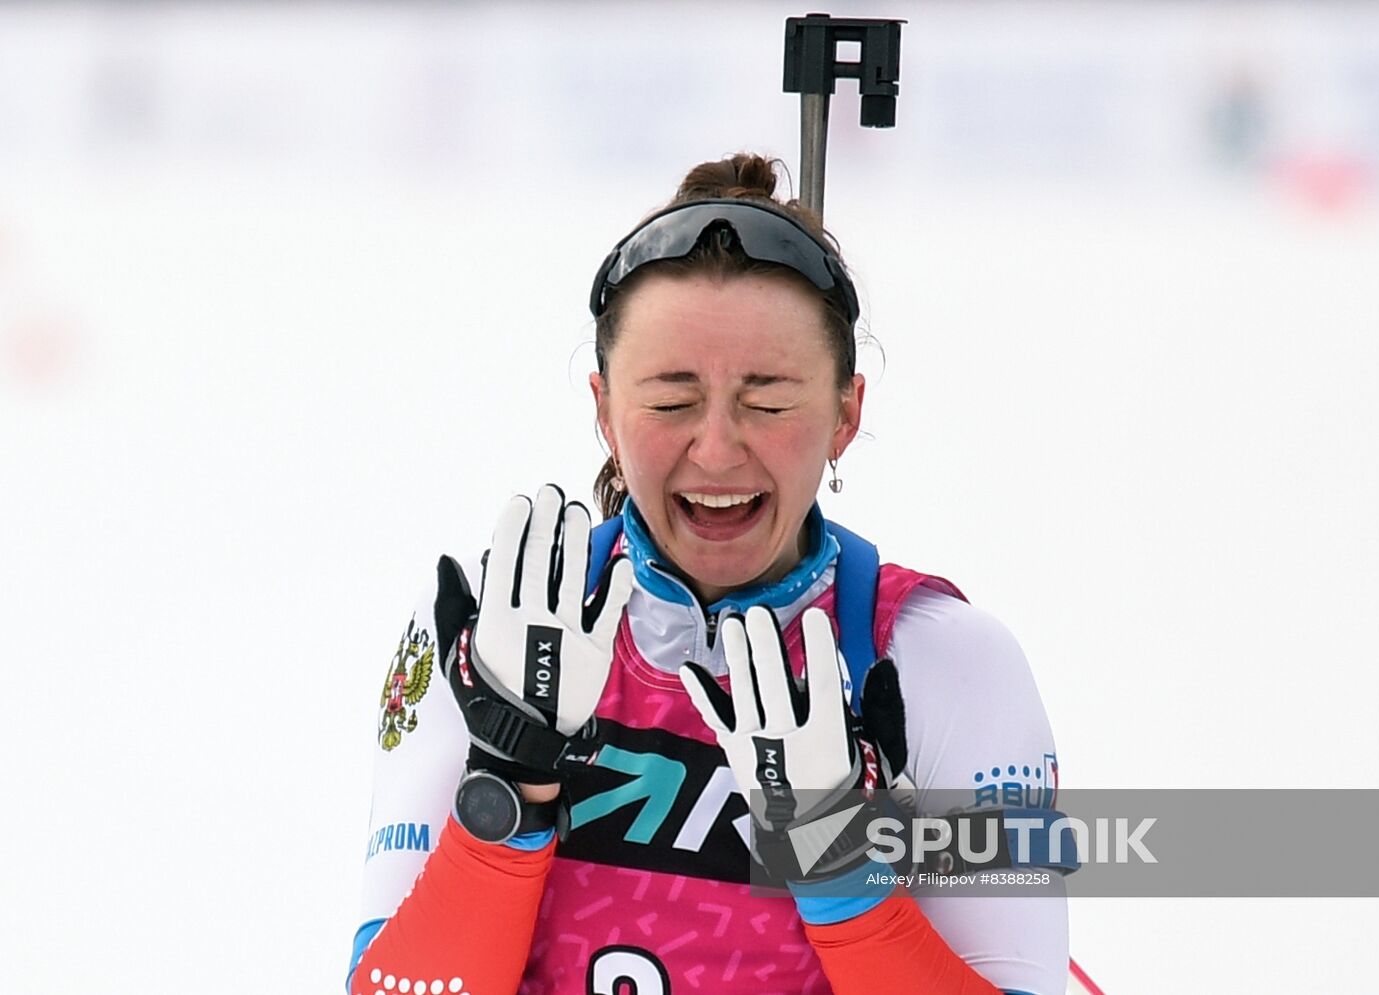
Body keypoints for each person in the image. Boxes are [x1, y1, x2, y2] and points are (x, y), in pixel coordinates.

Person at [348, 153, 1070, 995]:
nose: (718, 449)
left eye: (768, 400)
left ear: (846, 413)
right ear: (605, 410)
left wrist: (842, 869)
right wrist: (508, 789)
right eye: (670, 399)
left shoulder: (942, 666)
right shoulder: (494, 637)